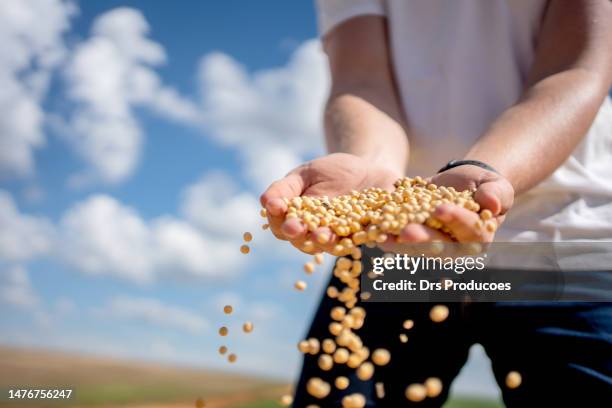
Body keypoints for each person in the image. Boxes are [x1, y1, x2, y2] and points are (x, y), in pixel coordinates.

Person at [261, 0, 612, 406]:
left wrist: (484, 170)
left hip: (560, 237)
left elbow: (575, 69)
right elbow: (361, 79)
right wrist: (371, 168)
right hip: (400, 239)